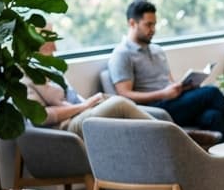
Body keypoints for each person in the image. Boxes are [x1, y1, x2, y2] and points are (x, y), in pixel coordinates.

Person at [108, 0, 224, 142]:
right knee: (211, 92)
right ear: (132, 23)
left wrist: (183, 86)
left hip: (172, 102)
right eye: (148, 25)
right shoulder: (122, 54)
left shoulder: (157, 50)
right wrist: (163, 94)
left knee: (213, 116)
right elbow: (124, 94)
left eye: (154, 24)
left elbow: (168, 82)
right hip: (155, 109)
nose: (153, 29)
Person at [25, 41, 153, 137]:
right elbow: (42, 117)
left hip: (78, 113)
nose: (54, 47)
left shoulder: (50, 68)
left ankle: (157, 143)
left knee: (108, 99)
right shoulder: (25, 75)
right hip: (64, 125)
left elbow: (72, 97)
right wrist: (84, 106)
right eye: (49, 41)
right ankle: (164, 137)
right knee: (119, 104)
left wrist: (91, 103)